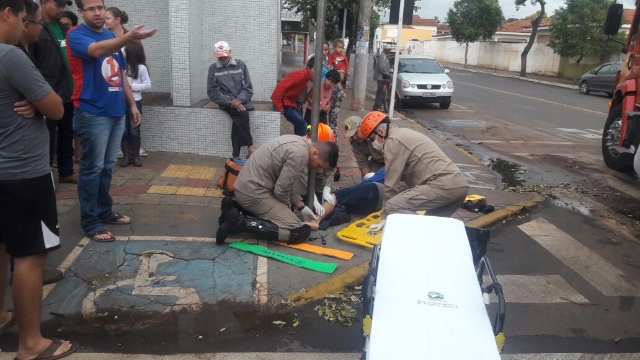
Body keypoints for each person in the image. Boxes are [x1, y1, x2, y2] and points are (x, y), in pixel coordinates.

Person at [0, 1, 78, 358]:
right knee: (30, 255)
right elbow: (57, 108)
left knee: (1, 247)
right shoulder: (10, 57)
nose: (24, 27)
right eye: (22, 19)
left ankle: (1, 315)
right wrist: (38, 100)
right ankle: (31, 344)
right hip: (22, 171)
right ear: (8, 14)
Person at [67, 0, 156, 242]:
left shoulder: (109, 35)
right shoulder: (77, 35)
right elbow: (96, 51)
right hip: (92, 112)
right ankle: (90, 221)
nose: (97, 13)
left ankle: (104, 211)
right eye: (91, 9)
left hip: (116, 111)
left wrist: (131, 106)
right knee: (92, 168)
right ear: (81, 12)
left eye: (100, 8)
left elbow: (121, 75)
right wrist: (128, 38)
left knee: (106, 167)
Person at [354, 111, 469, 232]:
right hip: (459, 186)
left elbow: (391, 183)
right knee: (432, 227)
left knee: (393, 206)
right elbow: (405, 181)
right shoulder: (404, 133)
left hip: (443, 185)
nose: (373, 143)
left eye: (373, 139)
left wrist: (386, 216)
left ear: (381, 132)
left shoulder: (393, 142)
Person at [216, 136, 339, 245]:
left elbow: (284, 182)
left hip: (246, 188)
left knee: (282, 217)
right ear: (316, 153)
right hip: (253, 193)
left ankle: (234, 207)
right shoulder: (300, 155)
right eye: (318, 165)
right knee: (297, 231)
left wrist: (301, 206)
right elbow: (281, 191)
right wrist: (286, 215)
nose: (316, 169)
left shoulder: (299, 142)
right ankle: (239, 223)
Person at [30, 0, 77, 184]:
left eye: (64, 6)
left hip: (68, 94)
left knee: (67, 134)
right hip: (48, 94)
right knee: (47, 136)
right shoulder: (37, 29)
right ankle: (47, 175)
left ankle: (66, 171)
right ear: (44, 3)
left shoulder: (65, 30)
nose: (62, 9)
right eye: (58, 5)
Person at [105, 6, 148, 158]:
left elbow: (140, 59)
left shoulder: (132, 37)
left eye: (107, 18)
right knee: (113, 116)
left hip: (128, 82)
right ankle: (117, 147)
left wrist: (133, 79)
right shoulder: (103, 37)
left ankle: (135, 149)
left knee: (132, 118)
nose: (104, 21)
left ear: (118, 20)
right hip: (109, 82)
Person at [207, 40, 256, 159]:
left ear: (230, 52)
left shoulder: (241, 65)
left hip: (242, 101)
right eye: (220, 57)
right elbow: (212, 93)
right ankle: (250, 146)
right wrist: (231, 101)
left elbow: (248, 88)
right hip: (226, 103)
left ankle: (235, 155)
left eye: (225, 56)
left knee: (237, 121)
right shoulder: (213, 69)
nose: (223, 59)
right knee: (243, 114)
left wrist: (239, 99)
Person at [120, 42, 150, 167]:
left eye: (125, 51)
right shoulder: (121, 67)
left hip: (135, 102)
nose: (122, 53)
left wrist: (130, 86)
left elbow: (147, 85)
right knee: (124, 130)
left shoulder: (141, 68)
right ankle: (126, 156)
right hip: (121, 102)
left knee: (134, 130)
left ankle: (135, 156)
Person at [271, 57, 315, 136]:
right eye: (315, 70)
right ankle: (301, 144)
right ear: (308, 68)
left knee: (302, 124)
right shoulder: (300, 75)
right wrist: (279, 106)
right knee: (303, 125)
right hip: (285, 104)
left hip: (291, 104)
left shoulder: (306, 78)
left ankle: (298, 142)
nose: (317, 73)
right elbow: (280, 86)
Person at [344, 115, 385, 182]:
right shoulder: (354, 142)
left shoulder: (379, 134)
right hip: (377, 161)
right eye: (352, 135)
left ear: (363, 126)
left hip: (393, 160)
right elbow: (362, 162)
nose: (354, 138)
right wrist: (368, 177)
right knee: (368, 183)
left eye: (356, 133)